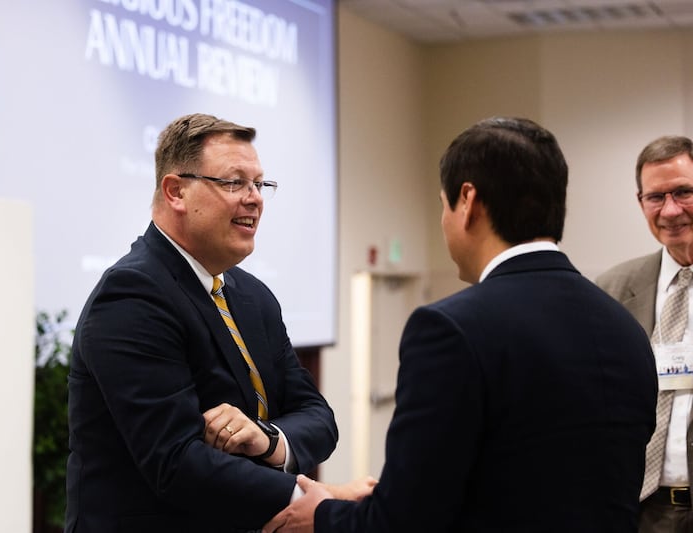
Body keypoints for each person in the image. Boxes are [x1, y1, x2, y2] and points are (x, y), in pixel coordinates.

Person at [264, 117, 658, 532]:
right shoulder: (626, 327)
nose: (444, 220)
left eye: (443, 204)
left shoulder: (450, 329)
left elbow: (405, 521)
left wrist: (323, 514)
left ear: (467, 200)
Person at [64, 113, 346, 532]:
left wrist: (267, 438)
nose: (255, 199)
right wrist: (314, 503)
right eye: (234, 182)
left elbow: (318, 417)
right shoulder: (132, 294)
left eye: (260, 184)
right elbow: (176, 460)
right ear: (176, 191)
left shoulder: (254, 297)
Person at [597, 135, 693, 532]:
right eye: (655, 197)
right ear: (641, 203)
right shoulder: (612, 290)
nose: (670, 210)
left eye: (683, 192)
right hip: (641, 511)